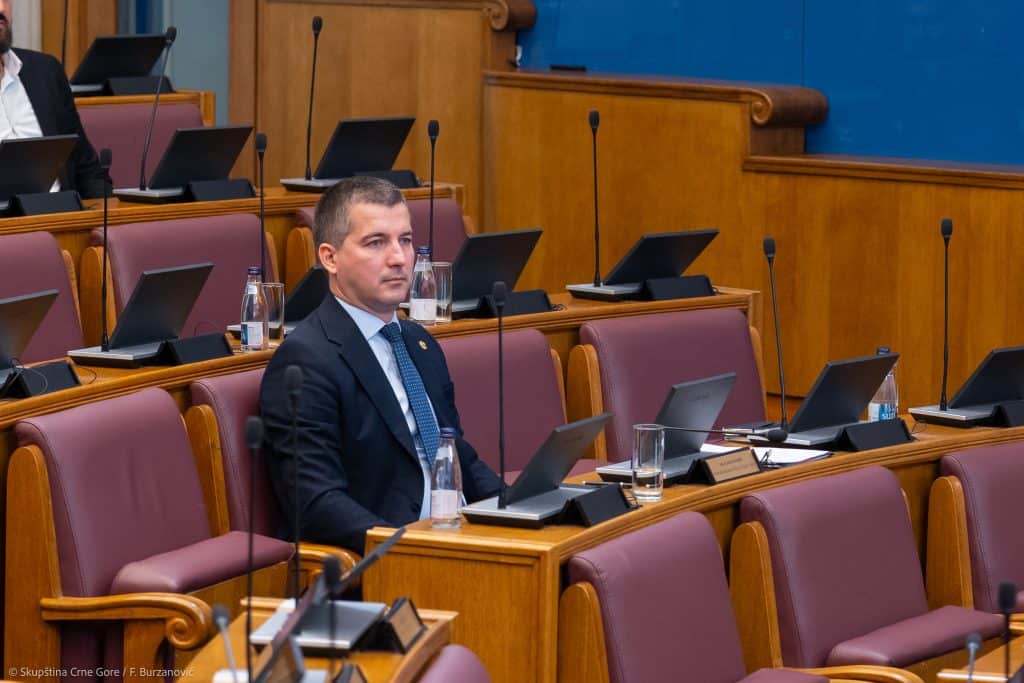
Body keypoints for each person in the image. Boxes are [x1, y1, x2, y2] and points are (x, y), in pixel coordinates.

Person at [260, 176, 502, 553]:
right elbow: (317, 502)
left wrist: (518, 510)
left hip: (456, 536)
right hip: (391, 555)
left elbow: (456, 454)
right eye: (376, 243)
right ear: (329, 257)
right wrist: (406, 548)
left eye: (405, 240)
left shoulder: (419, 342)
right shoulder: (306, 360)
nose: (399, 258)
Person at [0, 0, 103, 197]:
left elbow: (85, 166)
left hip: (61, 210)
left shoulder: (45, 70)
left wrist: (107, 209)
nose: (2, 8)